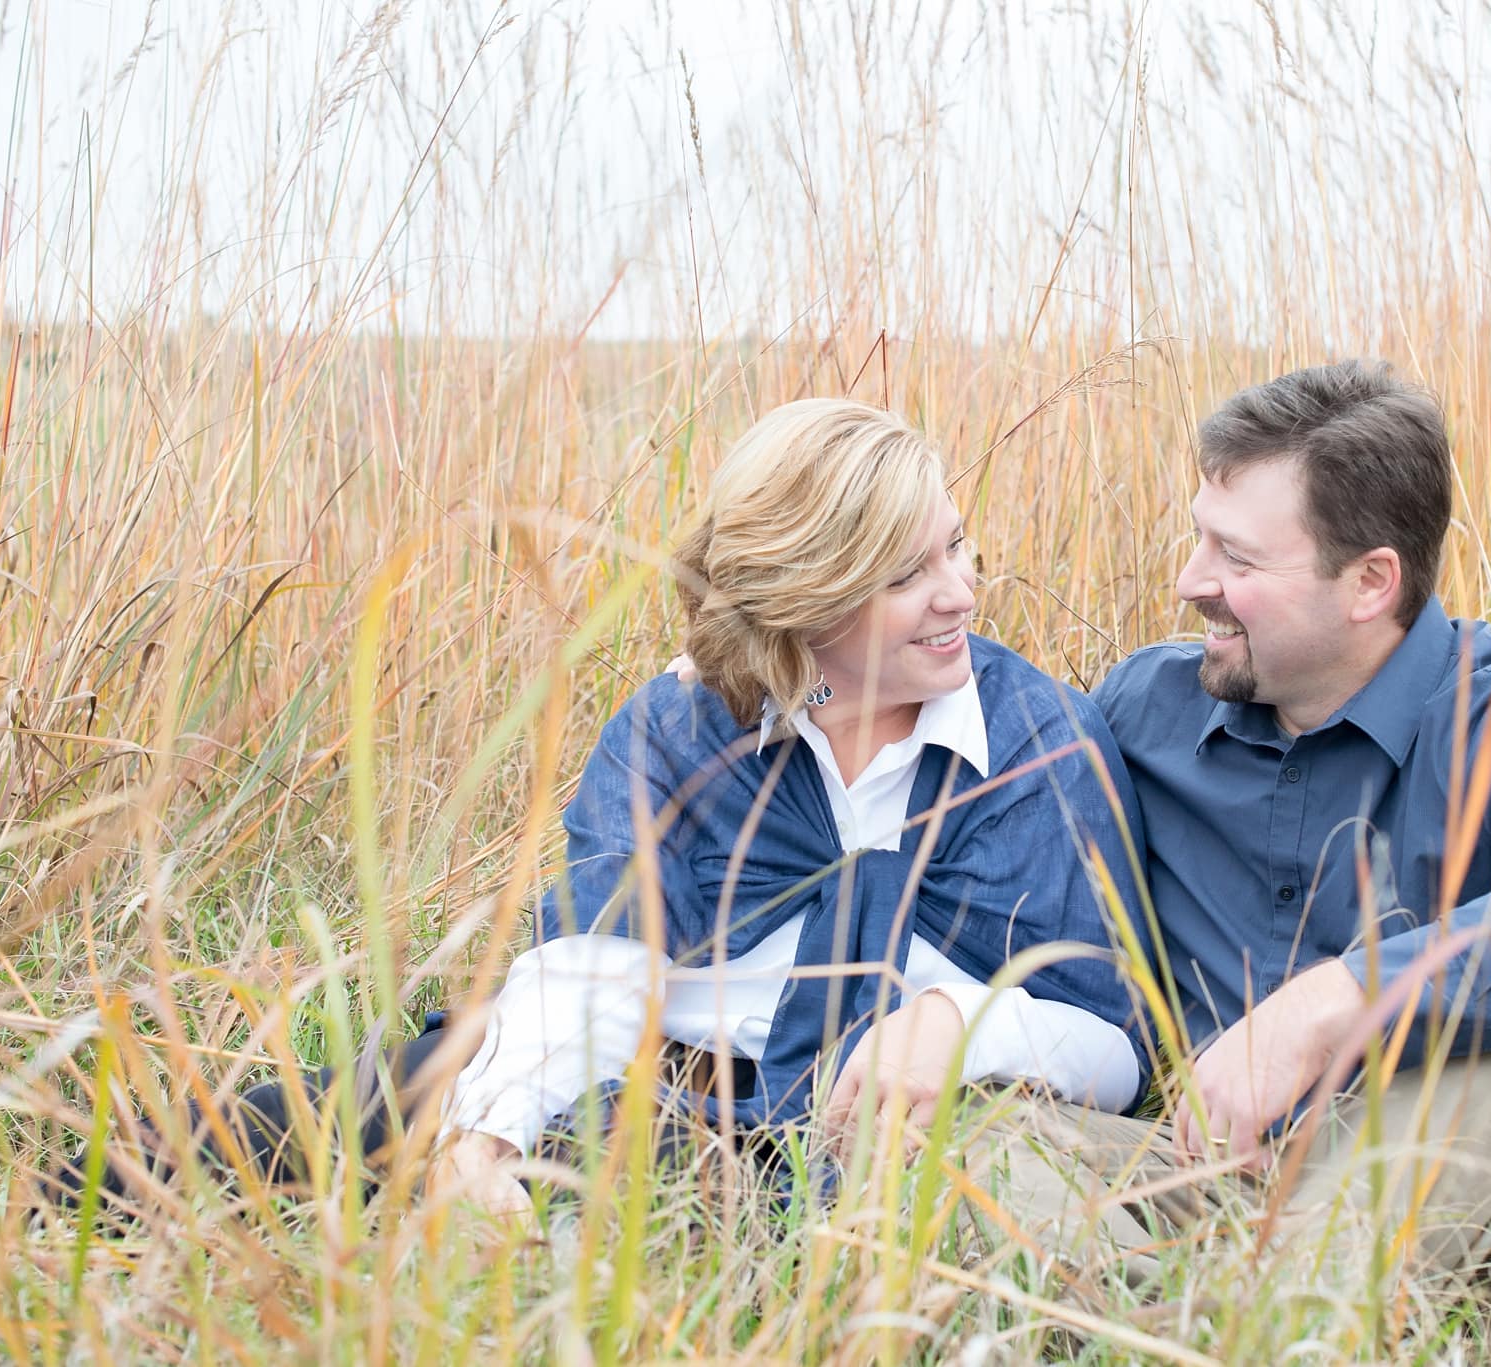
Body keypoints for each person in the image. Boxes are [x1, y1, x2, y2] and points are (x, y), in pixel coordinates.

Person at [62, 399, 1156, 1224]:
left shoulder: (1035, 740)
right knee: (246, 1136)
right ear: (806, 593)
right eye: (908, 573)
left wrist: (960, 1023)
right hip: (658, 1079)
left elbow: (1110, 1040)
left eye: (956, 546)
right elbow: (596, 959)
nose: (961, 590)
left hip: (895, 1129)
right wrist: (489, 1132)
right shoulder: (681, 726)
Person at [1087, 359, 1491, 1275]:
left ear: (1370, 582)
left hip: (1443, 1210)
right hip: (1197, 1181)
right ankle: (1208, 1317)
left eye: (1236, 556)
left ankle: (1285, 1322)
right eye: (1199, 539)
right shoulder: (1143, 710)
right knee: (978, 1138)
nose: (1191, 581)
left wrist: (1333, 1004)